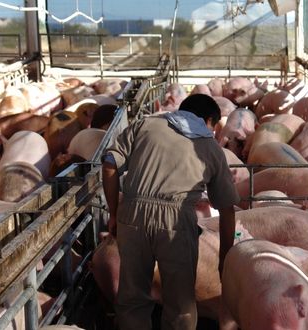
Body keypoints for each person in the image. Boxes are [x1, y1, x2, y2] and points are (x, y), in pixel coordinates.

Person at [101, 94, 239, 330]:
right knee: (180, 304)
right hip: (177, 221)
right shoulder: (210, 148)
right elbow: (226, 209)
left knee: (132, 298)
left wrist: (114, 212)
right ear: (208, 120)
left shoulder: (145, 124)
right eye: (214, 127)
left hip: (132, 215)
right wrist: (225, 255)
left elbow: (110, 162)